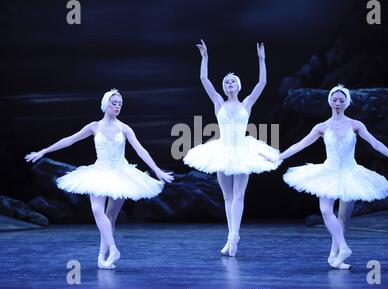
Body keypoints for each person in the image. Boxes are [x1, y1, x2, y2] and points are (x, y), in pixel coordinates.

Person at [266, 84, 388, 269]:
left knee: (343, 219)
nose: (337, 103)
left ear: (347, 102)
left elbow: (375, 144)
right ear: (330, 101)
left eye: (341, 100)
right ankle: (344, 248)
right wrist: (278, 157)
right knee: (325, 210)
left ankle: (335, 256)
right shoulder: (321, 127)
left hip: (350, 173)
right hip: (328, 172)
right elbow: (300, 145)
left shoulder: (355, 125)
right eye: (335, 99)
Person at [25, 89, 174, 269]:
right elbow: (69, 140)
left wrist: (156, 170)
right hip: (100, 172)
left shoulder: (125, 128)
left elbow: (141, 150)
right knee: (97, 210)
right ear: (106, 104)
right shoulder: (94, 126)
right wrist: (44, 151)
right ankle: (113, 249)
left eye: (120, 103)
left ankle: (102, 258)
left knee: (110, 217)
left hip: (121, 174)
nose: (117, 106)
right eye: (114, 103)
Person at [183, 40, 281, 257]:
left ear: (238, 86)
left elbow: (262, 82)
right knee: (227, 196)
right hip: (222, 150)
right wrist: (205, 57)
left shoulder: (246, 103)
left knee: (238, 195)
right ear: (224, 87)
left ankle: (233, 237)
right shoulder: (218, 102)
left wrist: (262, 60)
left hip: (243, 151)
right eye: (226, 82)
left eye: (232, 82)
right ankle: (232, 235)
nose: (229, 84)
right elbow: (203, 79)